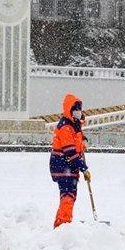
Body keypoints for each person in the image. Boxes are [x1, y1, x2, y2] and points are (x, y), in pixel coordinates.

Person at [50, 93, 90, 228]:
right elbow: (70, 152)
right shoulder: (66, 127)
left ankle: (61, 223)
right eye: (76, 109)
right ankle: (63, 225)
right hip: (62, 166)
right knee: (68, 196)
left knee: (69, 196)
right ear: (70, 110)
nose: (79, 112)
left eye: (80, 109)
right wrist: (84, 168)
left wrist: (83, 140)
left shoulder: (73, 125)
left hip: (68, 166)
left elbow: (77, 137)